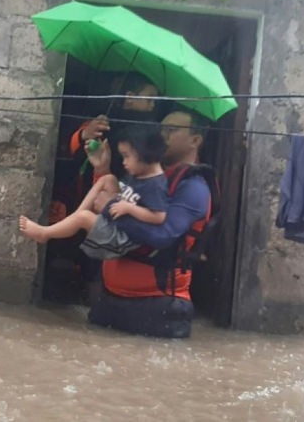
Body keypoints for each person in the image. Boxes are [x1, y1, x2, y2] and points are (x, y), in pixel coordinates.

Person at [84, 110, 212, 338]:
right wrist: (101, 171)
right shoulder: (144, 174)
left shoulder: (194, 188)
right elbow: (110, 213)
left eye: (171, 130)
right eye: (160, 129)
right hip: (110, 297)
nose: (162, 135)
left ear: (195, 141)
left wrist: (110, 209)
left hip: (157, 306)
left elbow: (162, 237)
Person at [20, 126, 169, 260]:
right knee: (108, 179)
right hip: (118, 219)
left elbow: (159, 217)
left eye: (127, 156)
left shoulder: (156, 185)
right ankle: (74, 218)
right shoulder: (140, 173)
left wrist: (129, 208)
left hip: (122, 238)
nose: (124, 162)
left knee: (84, 217)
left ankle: (45, 234)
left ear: (144, 154)